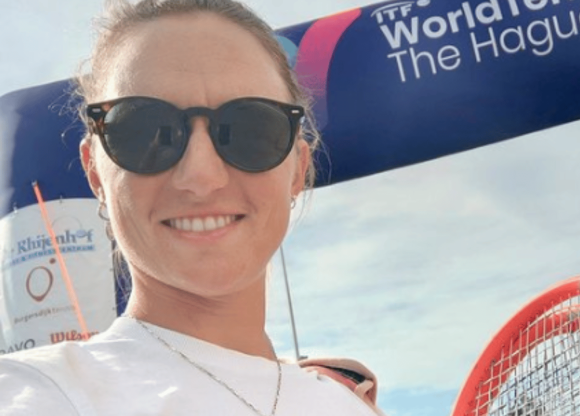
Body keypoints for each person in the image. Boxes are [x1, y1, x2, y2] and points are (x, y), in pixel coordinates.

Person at [0, 1, 384, 415]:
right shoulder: (39, 392)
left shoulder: (344, 400)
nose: (201, 176)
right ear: (95, 171)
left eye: (252, 128)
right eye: (145, 130)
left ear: (297, 169)